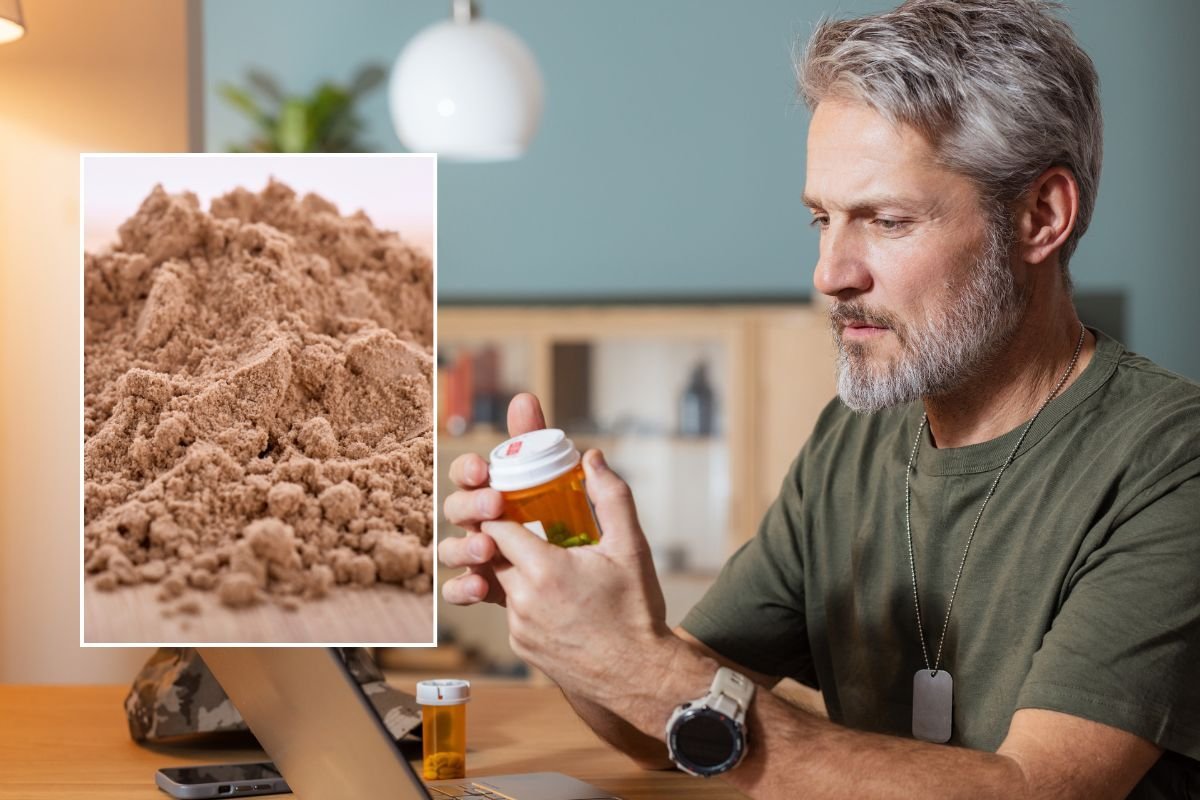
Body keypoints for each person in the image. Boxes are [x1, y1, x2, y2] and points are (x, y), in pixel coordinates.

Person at [440, 1, 1200, 797]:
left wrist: (643, 665)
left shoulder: (1170, 463)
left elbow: (1037, 791)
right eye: (821, 220)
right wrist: (568, 611)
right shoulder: (852, 440)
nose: (830, 274)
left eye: (887, 221)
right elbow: (660, 730)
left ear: (1040, 217)